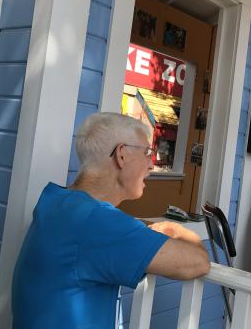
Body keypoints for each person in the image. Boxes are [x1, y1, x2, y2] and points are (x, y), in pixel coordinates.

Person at [12, 113, 210, 329]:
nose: (151, 165)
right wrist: (174, 228)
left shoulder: (56, 202)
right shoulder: (97, 222)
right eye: (147, 153)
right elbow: (198, 262)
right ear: (121, 155)